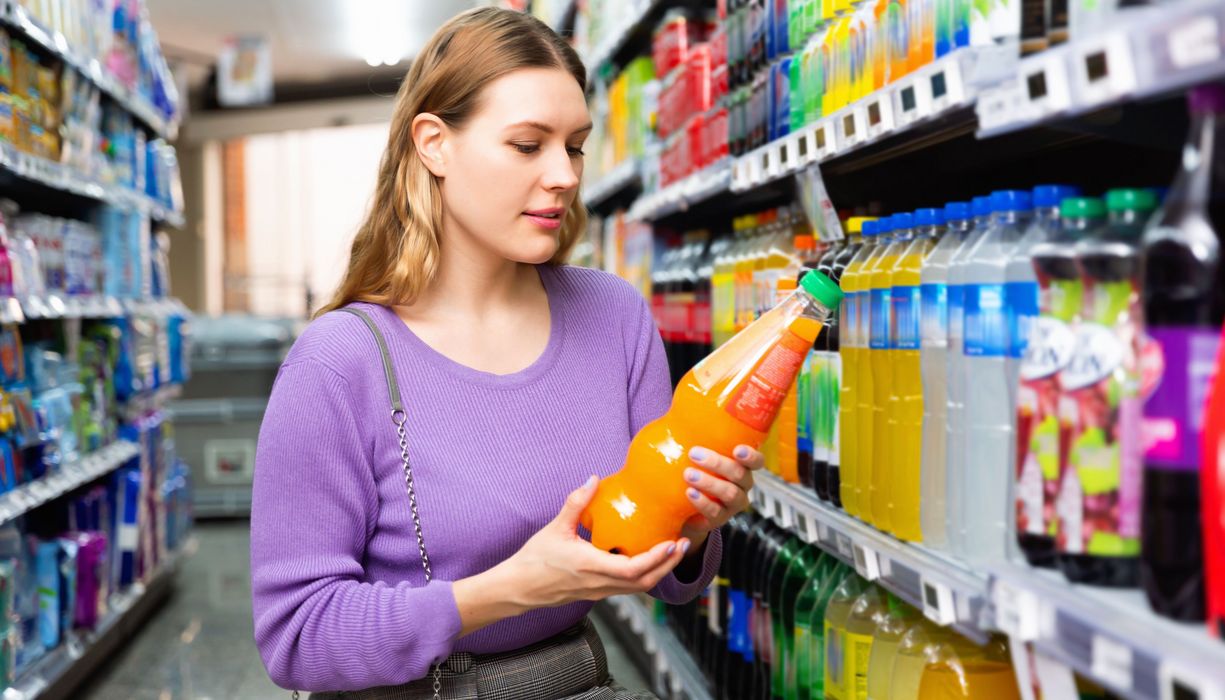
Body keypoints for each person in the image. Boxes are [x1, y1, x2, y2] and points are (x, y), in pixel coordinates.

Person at [250, 7, 763, 698]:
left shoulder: (613, 317)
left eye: (575, 146)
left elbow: (666, 574)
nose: (564, 175)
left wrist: (694, 525)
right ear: (433, 143)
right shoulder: (340, 361)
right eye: (527, 145)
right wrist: (503, 593)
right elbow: (297, 635)